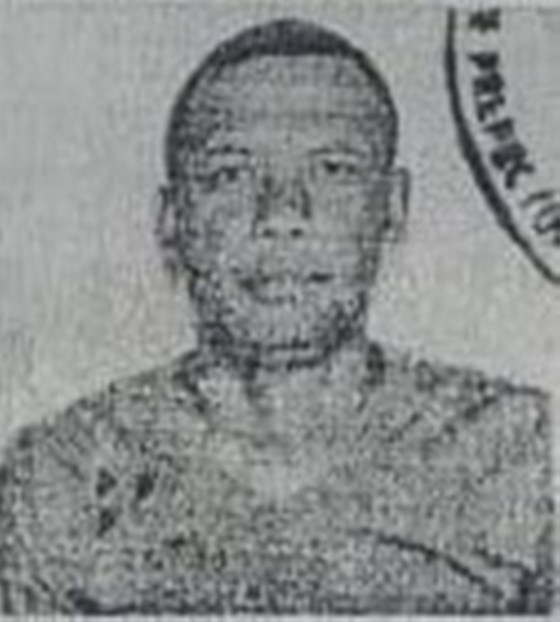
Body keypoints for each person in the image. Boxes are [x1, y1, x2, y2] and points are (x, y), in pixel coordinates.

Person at [0, 18, 553, 614]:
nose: (282, 215)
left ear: (393, 207)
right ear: (172, 220)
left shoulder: (522, 454)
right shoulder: (59, 476)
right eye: (230, 174)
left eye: (334, 169)